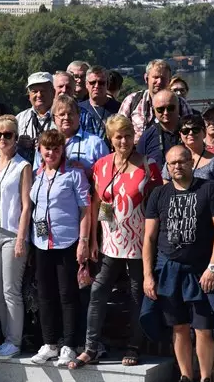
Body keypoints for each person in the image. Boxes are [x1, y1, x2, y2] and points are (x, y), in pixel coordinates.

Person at [70, 115, 161, 369]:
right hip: (111, 242)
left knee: (135, 295)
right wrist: (95, 238)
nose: (124, 141)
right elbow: (99, 202)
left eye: (128, 135)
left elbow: (155, 206)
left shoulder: (148, 165)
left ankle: (134, 346)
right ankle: (90, 347)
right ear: (110, 139)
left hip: (138, 243)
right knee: (98, 291)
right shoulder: (101, 165)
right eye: (118, 136)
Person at [141, 145, 214, 382]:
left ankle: (205, 377)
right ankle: (185, 376)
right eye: (172, 163)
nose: (177, 166)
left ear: (191, 162)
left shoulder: (208, 189)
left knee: (203, 327)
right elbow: (149, 237)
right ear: (167, 167)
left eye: (182, 161)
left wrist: (213, 267)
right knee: (178, 326)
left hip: (200, 271)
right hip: (169, 270)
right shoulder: (159, 194)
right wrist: (148, 275)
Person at [29, 129, 91, 366]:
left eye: (56, 148)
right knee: (45, 294)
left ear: (62, 150)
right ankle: (49, 343)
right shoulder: (37, 175)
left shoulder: (74, 174)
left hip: (67, 241)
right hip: (41, 242)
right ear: (40, 150)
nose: (51, 153)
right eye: (47, 148)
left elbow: (86, 209)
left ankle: (69, 344)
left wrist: (83, 242)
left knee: (67, 295)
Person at [0, 115, 32, 359]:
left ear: (15, 137)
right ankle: (6, 337)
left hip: (12, 233)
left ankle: (15, 340)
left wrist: (22, 237)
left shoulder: (23, 166)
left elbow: (26, 205)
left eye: (7, 135)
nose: (2, 139)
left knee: (11, 289)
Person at [118, 60, 193, 142]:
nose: (159, 82)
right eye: (156, 77)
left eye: (163, 78)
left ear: (169, 81)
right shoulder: (131, 100)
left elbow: (191, 132)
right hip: (139, 152)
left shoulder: (180, 103)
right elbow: (118, 131)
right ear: (146, 78)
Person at [38, 94, 108, 176]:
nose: (66, 118)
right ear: (54, 118)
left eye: (70, 114)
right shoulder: (44, 143)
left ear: (79, 115)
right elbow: (37, 174)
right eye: (62, 114)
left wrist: (87, 172)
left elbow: (106, 175)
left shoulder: (96, 143)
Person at [161, 114, 214, 182]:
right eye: (185, 131)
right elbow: (166, 184)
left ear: (204, 132)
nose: (190, 133)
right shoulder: (172, 159)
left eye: (195, 130)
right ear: (180, 135)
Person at [15, 72, 55, 162]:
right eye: (34, 91)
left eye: (43, 90)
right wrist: (18, 144)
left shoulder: (61, 116)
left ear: (53, 92)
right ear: (29, 95)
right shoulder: (20, 118)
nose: (39, 95)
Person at [136, 89, 181, 168]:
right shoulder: (147, 136)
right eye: (160, 109)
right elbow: (139, 166)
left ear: (178, 107)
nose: (166, 112)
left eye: (170, 108)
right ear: (154, 110)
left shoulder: (190, 132)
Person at [79, 65, 117, 138]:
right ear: (86, 84)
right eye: (92, 82)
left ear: (107, 84)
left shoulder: (118, 108)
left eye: (101, 83)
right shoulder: (78, 109)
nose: (97, 86)